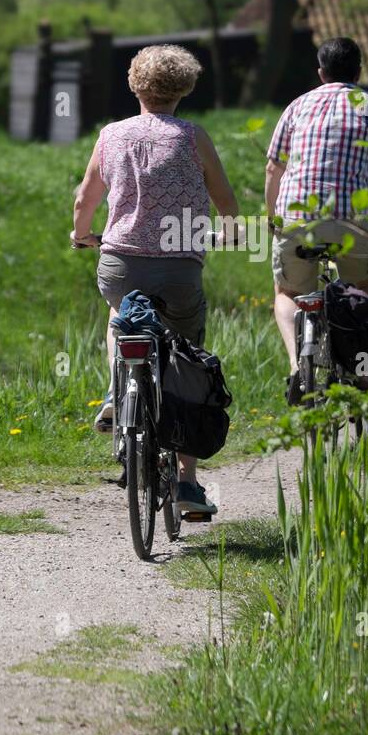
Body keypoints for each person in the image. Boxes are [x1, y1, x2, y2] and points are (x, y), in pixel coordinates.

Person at [71, 43, 240, 518]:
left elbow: (86, 197)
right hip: (180, 268)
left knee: (119, 314)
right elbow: (225, 201)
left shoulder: (111, 135)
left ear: (134, 84)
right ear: (185, 88)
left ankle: (114, 391)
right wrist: (227, 234)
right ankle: (187, 484)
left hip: (120, 262)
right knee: (185, 358)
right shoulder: (193, 137)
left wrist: (82, 235)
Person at [264, 36, 368, 403]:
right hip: (353, 221)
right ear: (359, 72)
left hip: (297, 218)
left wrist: (274, 218)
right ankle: (365, 367)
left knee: (288, 292)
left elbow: (273, 168)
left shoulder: (297, 106)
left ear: (321, 73)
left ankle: (295, 367)